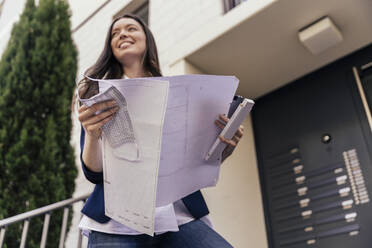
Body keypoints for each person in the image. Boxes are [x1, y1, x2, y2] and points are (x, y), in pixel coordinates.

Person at [76, 13, 244, 248]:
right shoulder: (100, 96)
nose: (122, 34)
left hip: (178, 216)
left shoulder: (182, 94)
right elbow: (93, 173)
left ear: (147, 39)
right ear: (110, 47)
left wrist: (223, 147)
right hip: (115, 222)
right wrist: (93, 135)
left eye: (131, 29)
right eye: (115, 33)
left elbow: (197, 162)